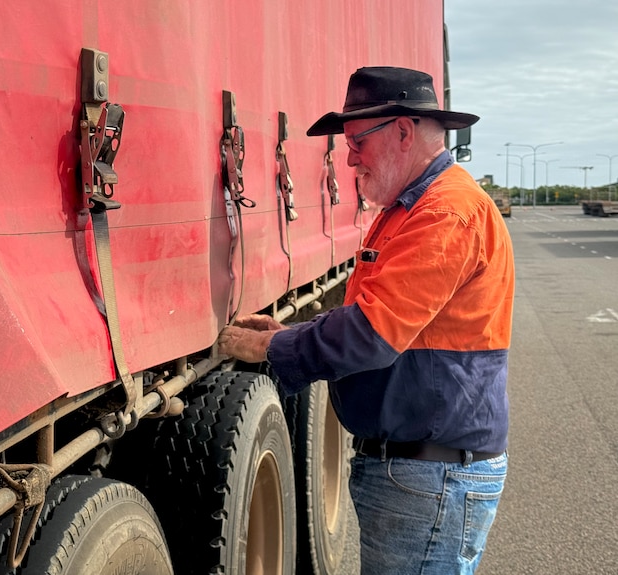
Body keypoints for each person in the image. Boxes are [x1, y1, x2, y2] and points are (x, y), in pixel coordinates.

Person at [218, 66, 514, 575]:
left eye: (357, 140)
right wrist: (293, 335)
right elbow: (379, 315)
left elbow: (374, 334)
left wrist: (274, 349)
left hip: (430, 473)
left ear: (403, 131)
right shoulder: (413, 207)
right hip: (424, 469)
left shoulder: (445, 213)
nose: (348, 156)